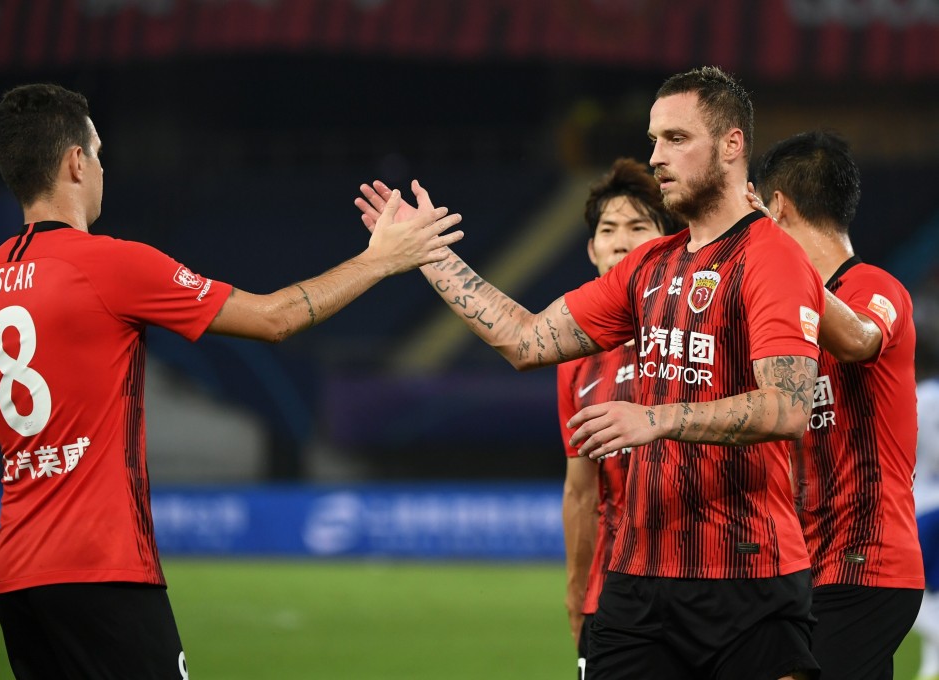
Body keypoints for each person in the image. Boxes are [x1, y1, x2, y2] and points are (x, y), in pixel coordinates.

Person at [0, 83, 463, 680]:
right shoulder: (113, 264)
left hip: (18, 583)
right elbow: (274, 319)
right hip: (107, 571)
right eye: (98, 153)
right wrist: (382, 258)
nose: (102, 167)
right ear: (76, 162)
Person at [357, 66, 824, 680]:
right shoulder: (648, 266)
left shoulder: (770, 258)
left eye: (676, 139)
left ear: (733, 145)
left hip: (747, 582)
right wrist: (429, 254)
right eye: (654, 139)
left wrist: (655, 419)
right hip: (635, 588)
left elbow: (789, 407)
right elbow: (524, 339)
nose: (657, 157)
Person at [751, 130, 923, 680]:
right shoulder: (782, 315)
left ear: (774, 207)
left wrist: (773, 254)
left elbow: (860, 340)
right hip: (806, 567)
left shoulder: (876, 286)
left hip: (866, 563)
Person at [557, 158, 683, 679]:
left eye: (638, 227)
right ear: (592, 250)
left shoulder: (700, 332)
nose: (620, 242)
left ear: (669, 241)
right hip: (612, 589)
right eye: (608, 230)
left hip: (708, 580)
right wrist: (576, 591)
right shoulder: (572, 361)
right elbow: (581, 492)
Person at [914, 374, 939, 680]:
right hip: (933, 503)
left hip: (917, 508)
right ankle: (930, 668)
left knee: (913, 595)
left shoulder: (918, 396)